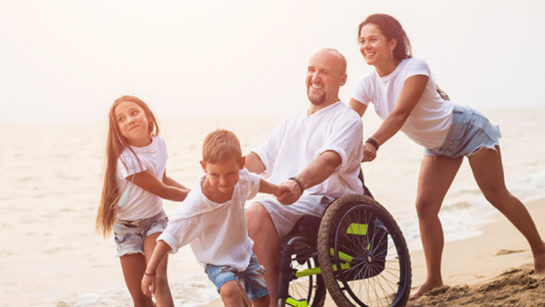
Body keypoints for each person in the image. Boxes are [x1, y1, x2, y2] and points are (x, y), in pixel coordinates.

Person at [349, 13, 545, 297]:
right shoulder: (366, 83)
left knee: (496, 194)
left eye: (373, 39)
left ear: (392, 42)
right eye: (362, 40)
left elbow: (400, 113)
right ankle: (434, 279)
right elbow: (348, 119)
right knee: (424, 207)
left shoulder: (415, 68)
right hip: (439, 146)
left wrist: (373, 142)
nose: (366, 45)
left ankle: (540, 250)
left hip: (468, 130)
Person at [245, 48, 365, 306]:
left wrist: (298, 183)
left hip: (326, 203)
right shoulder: (292, 120)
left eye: (325, 72)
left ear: (342, 79)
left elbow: (329, 159)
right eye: (311, 70)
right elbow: (262, 157)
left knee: (255, 212)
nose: (315, 77)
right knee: (228, 221)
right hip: (287, 202)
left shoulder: (348, 119)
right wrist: (225, 172)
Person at [141, 129, 286, 307]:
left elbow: (255, 182)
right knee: (230, 290)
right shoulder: (196, 203)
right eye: (215, 175)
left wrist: (277, 190)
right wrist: (150, 272)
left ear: (241, 164)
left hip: (243, 251)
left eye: (230, 173)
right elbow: (169, 236)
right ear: (203, 167)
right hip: (216, 259)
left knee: (262, 298)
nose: (223, 182)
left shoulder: (242, 178)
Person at [96, 95, 189, 307]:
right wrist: (200, 196)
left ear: (147, 116)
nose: (129, 119)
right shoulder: (125, 159)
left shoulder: (159, 144)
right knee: (142, 299)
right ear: (117, 129)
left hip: (154, 222)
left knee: (158, 281)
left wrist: (198, 195)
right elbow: (163, 190)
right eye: (121, 119)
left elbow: (163, 178)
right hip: (126, 229)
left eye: (134, 112)